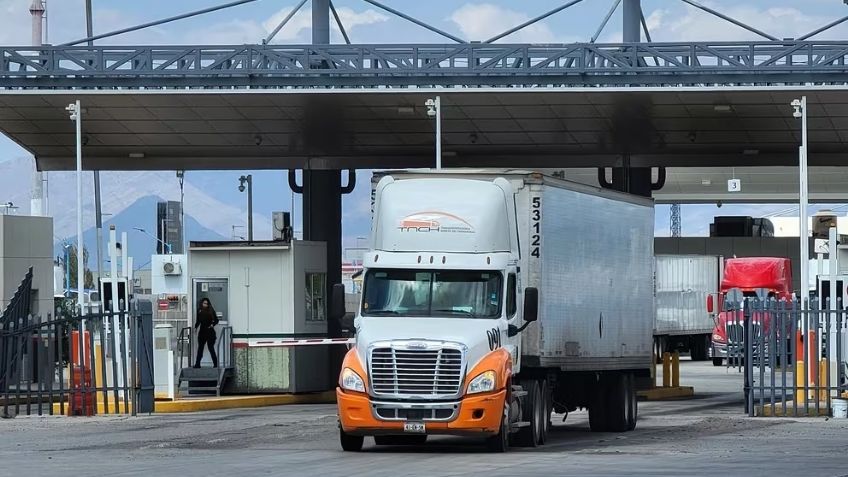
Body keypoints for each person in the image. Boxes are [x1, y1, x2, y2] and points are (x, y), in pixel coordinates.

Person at [194, 298, 219, 368]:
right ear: (202, 303)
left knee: (210, 348)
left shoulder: (210, 310)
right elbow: (198, 321)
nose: (206, 305)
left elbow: (216, 320)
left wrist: (212, 324)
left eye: (207, 304)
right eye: (204, 303)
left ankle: (215, 364)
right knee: (200, 348)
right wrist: (195, 327)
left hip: (210, 332)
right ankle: (197, 364)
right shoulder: (199, 310)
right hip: (202, 332)